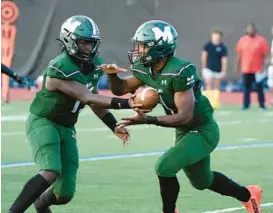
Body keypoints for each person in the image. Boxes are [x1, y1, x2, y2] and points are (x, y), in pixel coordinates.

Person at [99, 20, 262, 213]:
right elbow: (121, 89)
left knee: (164, 167)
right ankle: (248, 195)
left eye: (144, 45)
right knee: (202, 181)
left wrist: (148, 120)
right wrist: (112, 76)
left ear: (159, 47)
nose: (139, 49)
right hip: (184, 131)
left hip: (202, 130)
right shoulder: (145, 68)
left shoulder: (180, 70)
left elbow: (185, 116)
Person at [7, 15, 141, 213]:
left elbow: (95, 98)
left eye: (92, 43)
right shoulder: (58, 67)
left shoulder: (94, 65)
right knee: (50, 171)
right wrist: (128, 102)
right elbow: (86, 97)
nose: (89, 48)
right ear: (69, 40)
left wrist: (113, 125)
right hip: (44, 122)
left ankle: (40, 203)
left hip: (67, 126)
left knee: (64, 194)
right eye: (84, 42)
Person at [235, 23, 270, 110]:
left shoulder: (261, 41)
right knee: (246, 88)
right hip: (246, 69)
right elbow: (239, 55)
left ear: (255, 30)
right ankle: (246, 105)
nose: (250, 30)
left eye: (252, 29)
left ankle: (262, 104)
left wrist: (264, 66)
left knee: (259, 88)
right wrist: (237, 67)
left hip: (258, 69)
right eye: (249, 29)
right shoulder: (242, 40)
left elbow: (266, 55)